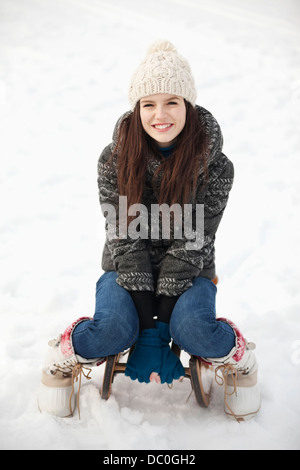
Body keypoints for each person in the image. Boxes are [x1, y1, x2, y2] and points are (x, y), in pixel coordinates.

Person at [38, 40, 260, 421]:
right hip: (125, 269)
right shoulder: (114, 159)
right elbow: (123, 237)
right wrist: (145, 322)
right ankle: (63, 354)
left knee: (195, 330)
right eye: (148, 104)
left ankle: (238, 358)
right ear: (136, 108)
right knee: (109, 331)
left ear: (188, 105)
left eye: (172, 101)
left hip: (190, 272)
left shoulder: (216, 166)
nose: (161, 114)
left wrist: (164, 326)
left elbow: (194, 242)